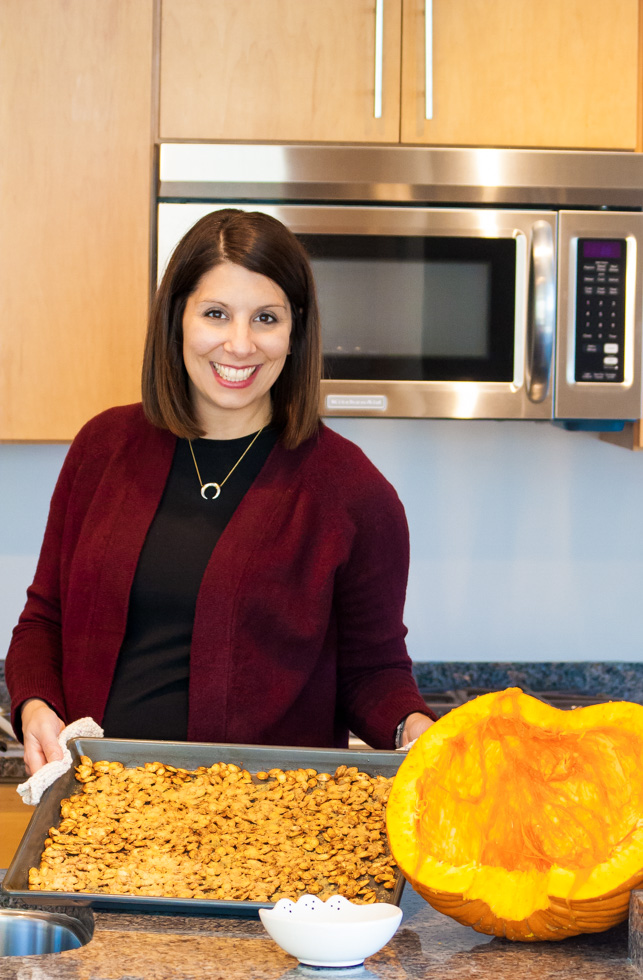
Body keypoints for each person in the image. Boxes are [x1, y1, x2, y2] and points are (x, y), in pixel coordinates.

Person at [6, 209, 434, 775]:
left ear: (294, 331)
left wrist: (413, 727)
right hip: (101, 812)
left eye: (265, 318)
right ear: (177, 320)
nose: (239, 344)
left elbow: (372, 670)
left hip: (266, 831)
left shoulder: (352, 493)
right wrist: (35, 706)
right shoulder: (102, 449)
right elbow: (45, 620)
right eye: (215, 314)